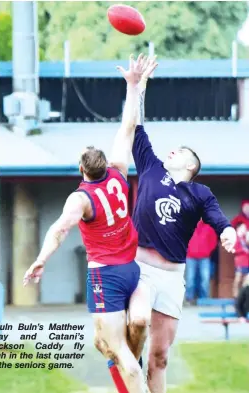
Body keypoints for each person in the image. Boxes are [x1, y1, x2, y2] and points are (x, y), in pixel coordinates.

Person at [23, 55, 157, 393]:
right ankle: (130, 379)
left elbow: (59, 228)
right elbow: (128, 126)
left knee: (117, 352)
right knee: (123, 340)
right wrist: (132, 86)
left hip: (106, 277)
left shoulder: (80, 199)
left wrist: (40, 259)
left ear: (82, 170)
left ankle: (133, 383)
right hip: (131, 268)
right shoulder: (117, 172)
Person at [115, 56, 237, 393]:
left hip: (172, 277)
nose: (173, 151)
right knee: (138, 319)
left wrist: (227, 232)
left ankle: (138, 368)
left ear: (191, 164)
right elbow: (135, 125)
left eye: (180, 151)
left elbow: (218, 220)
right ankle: (126, 360)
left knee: (161, 357)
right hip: (139, 267)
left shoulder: (200, 193)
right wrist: (135, 87)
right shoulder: (151, 168)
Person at [185, 219, 218, 304]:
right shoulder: (188, 225)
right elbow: (182, 238)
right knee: (190, 279)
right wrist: (187, 250)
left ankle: (204, 300)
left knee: (205, 279)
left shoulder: (209, 226)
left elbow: (214, 240)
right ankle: (189, 299)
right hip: (190, 257)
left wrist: (207, 251)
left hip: (204, 257)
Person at [232, 222, 249, 298]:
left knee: (246, 280)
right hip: (240, 261)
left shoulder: (246, 238)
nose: (245, 229)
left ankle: (243, 296)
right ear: (239, 228)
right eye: (243, 228)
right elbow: (234, 249)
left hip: (247, 261)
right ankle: (235, 296)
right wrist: (243, 250)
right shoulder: (235, 238)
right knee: (238, 279)